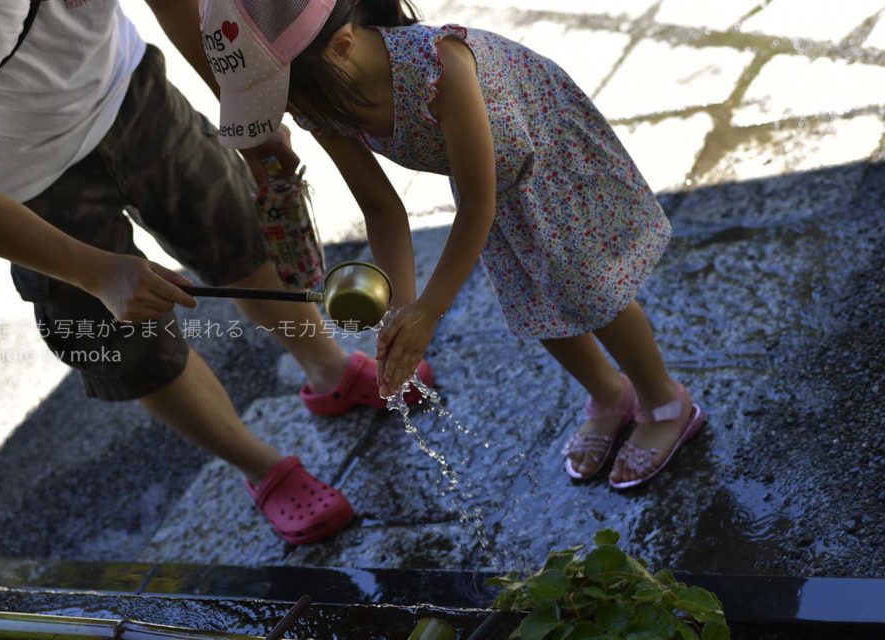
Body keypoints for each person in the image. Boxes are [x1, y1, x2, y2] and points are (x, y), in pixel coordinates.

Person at [0, 0, 432, 545]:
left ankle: (330, 370)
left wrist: (244, 118)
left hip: (129, 89)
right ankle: (261, 467)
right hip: (21, 179)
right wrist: (98, 273)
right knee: (128, 346)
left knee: (239, 232)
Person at [200, 0, 705, 489]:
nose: (289, 111)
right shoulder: (322, 101)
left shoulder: (441, 67)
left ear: (342, 45)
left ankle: (664, 401)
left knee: (590, 290)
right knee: (530, 298)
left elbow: (477, 206)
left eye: (285, 93)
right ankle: (608, 396)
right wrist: (402, 308)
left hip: (545, 156)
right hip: (493, 184)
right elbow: (382, 210)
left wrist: (430, 311)